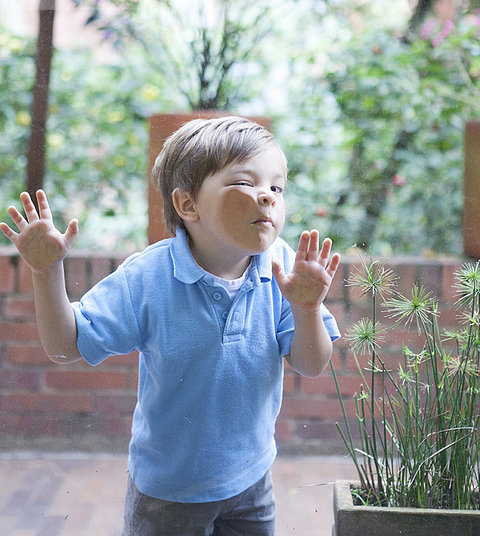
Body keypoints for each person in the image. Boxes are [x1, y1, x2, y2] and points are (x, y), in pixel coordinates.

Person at [0, 116, 341, 536]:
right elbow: (66, 345)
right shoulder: (147, 277)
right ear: (187, 205)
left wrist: (307, 309)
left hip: (252, 481)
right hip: (168, 495)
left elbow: (312, 364)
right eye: (243, 183)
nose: (268, 198)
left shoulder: (284, 266)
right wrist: (46, 270)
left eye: (276, 187)